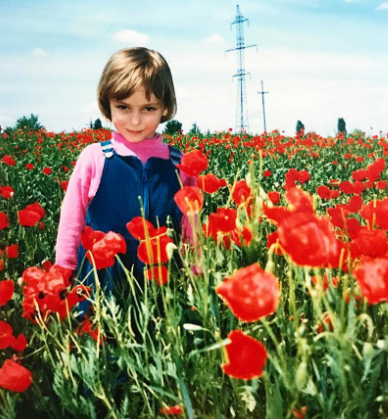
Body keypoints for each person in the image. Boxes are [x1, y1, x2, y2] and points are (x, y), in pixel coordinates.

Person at [55, 47, 195, 318]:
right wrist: (64, 272)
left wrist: (196, 277)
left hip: (160, 291)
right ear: (106, 103)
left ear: (165, 107)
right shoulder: (95, 158)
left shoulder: (181, 165)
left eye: (148, 108)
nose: (135, 120)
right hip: (100, 287)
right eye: (123, 107)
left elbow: (191, 231)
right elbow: (71, 224)